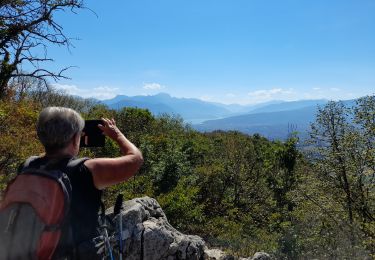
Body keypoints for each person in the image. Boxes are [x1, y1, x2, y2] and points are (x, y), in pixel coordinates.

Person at [26, 106, 143, 258]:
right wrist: (117, 134)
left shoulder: (28, 165)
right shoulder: (86, 171)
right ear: (76, 138)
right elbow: (136, 159)